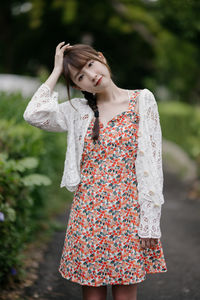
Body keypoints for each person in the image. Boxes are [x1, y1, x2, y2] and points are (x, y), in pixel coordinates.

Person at [23, 41, 167, 300]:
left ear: (101, 58)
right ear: (79, 86)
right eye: (80, 76)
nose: (91, 75)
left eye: (90, 64)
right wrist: (56, 71)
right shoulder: (77, 110)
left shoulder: (142, 100)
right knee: (93, 297)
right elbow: (33, 115)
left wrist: (149, 223)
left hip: (128, 215)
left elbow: (153, 165)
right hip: (88, 216)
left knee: (125, 296)